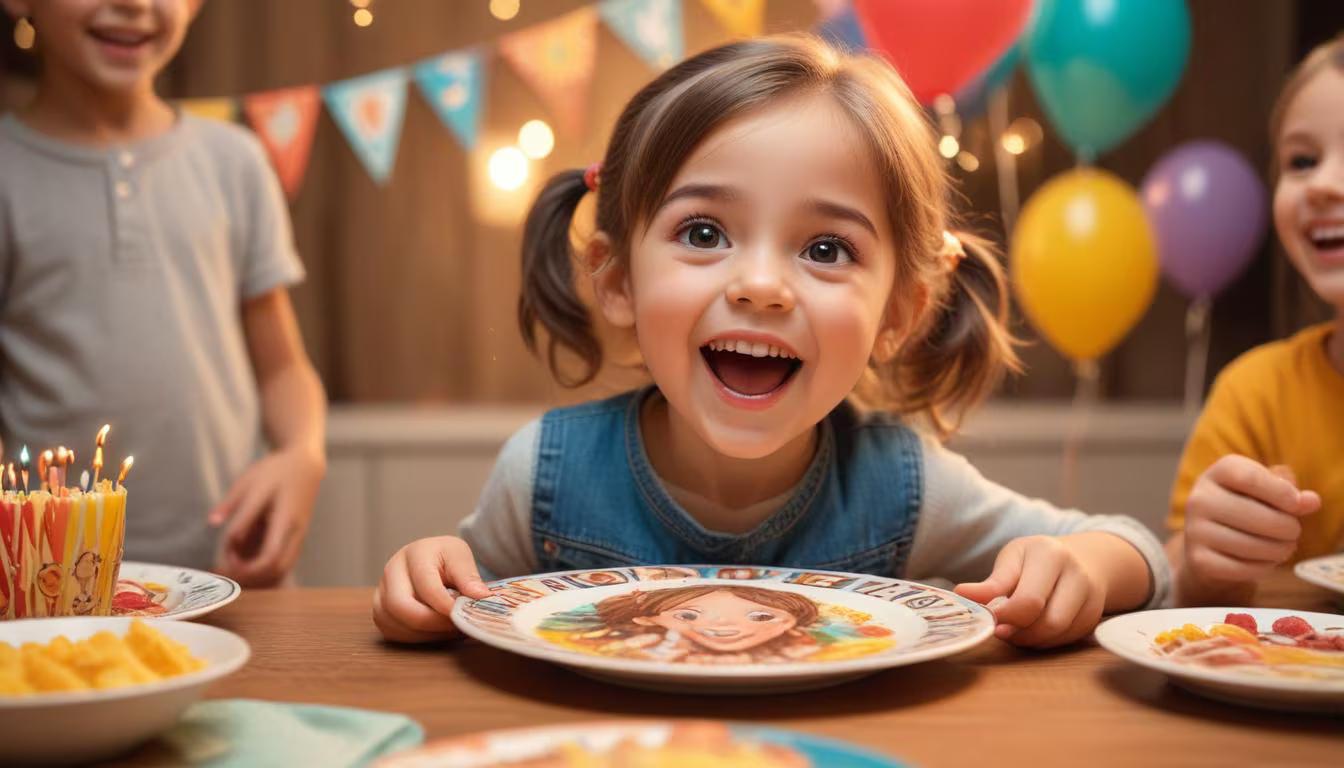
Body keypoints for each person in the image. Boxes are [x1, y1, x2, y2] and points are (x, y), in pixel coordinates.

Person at [374, 35, 1167, 648]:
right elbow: (458, 597)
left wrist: (1082, 567)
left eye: (825, 249)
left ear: (899, 312)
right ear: (617, 280)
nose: (761, 286)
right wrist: (427, 577)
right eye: (704, 232)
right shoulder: (543, 477)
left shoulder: (906, 486)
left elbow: (1142, 554)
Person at [0, 0, 327, 586]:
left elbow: (282, 368)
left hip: (233, 573)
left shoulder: (235, 161)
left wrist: (303, 451)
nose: (136, 5)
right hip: (54, 587)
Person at [1167, 35, 1344, 606]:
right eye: (1302, 161)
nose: (1323, 184)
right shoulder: (1257, 392)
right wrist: (1208, 560)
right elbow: (1180, 572)